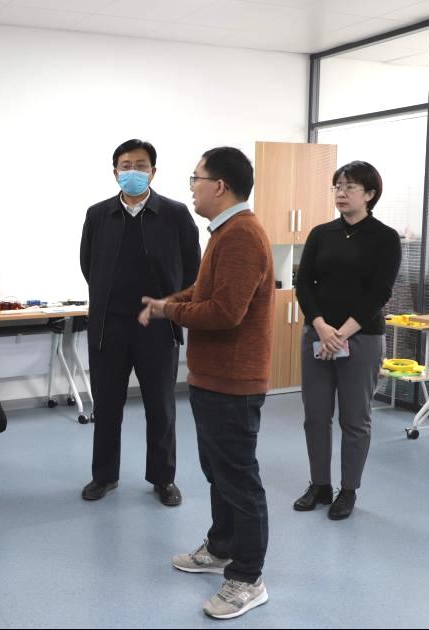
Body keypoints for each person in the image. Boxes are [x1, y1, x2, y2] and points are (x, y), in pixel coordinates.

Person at [141, 147, 273, 619]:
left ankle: (248, 578)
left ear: (220, 185)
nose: (192, 187)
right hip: (213, 377)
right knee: (219, 473)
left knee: (239, 479)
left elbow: (224, 312)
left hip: (233, 381)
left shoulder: (242, 236)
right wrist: (168, 303)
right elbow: (204, 291)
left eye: (195, 179)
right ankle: (221, 547)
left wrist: (171, 311)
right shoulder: (224, 232)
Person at [79, 139, 200, 506]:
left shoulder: (176, 214)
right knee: (107, 406)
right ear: (115, 171)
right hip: (108, 328)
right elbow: (88, 265)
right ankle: (104, 476)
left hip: (158, 326)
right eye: (126, 165)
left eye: (141, 165)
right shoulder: (98, 214)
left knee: (161, 407)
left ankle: (163, 478)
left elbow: (192, 268)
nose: (133, 171)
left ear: (153, 171)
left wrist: (171, 305)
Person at [293, 161, 401, 520]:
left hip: (362, 339)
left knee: (355, 419)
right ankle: (320, 485)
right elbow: (303, 283)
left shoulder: (385, 238)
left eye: (350, 186)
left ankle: (348, 489)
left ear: (369, 194)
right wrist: (322, 327)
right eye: (338, 186)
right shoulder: (321, 234)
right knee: (315, 416)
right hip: (318, 335)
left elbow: (380, 292)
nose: (341, 192)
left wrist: (340, 334)